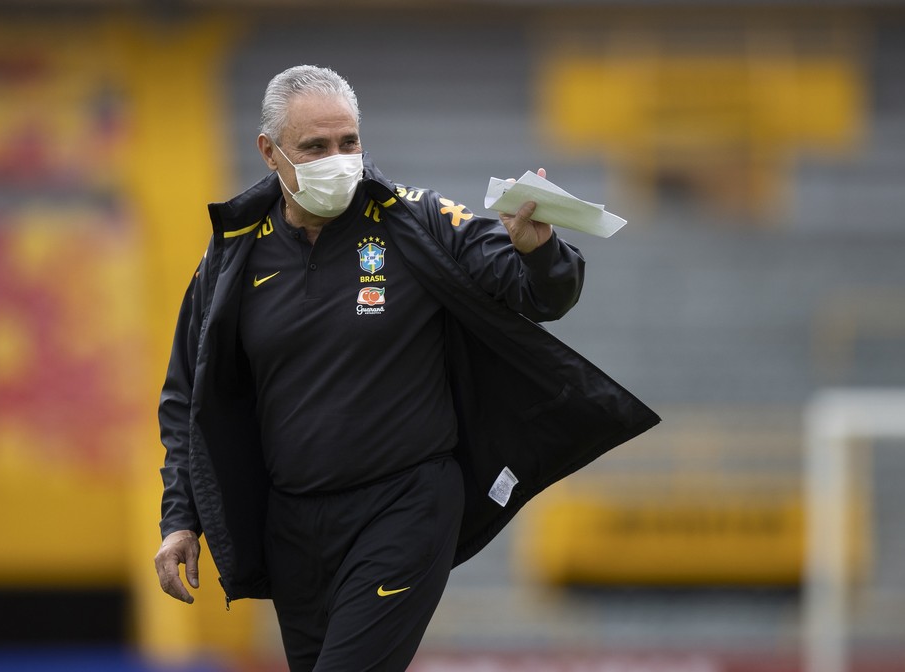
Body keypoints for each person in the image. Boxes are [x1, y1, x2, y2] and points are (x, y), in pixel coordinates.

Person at [154, 64, 659, 671]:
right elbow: (188, 392)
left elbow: (540, 295)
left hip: (405, 507)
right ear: (269, 152)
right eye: (315, 147)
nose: (337, 159)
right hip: (293, 526)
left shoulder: (414, 221)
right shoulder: (232, 254)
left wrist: (538, 248)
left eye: (349, 142)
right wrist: (180, 518)